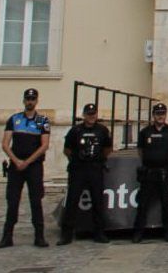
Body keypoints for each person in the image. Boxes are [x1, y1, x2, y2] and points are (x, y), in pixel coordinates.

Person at [0, 88, 51, 249]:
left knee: (36, 200)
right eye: (28, 99)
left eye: (33, 99)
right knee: (12, 201)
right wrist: (17, 161)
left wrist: (27, 161)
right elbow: (5, 144)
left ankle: (39, 236)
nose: (30, 102)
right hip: (15, 166)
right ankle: (7, 236)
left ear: (37, 101)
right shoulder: (14, 119)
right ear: (23, 100)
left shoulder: (42, 120)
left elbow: (44, 145)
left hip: (34, 166)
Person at [58, 102, 113, 245]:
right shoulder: (75, 131)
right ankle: (66, 234)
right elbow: (67, 149)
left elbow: (108, 148)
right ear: (84, 115)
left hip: (95, 168)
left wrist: (99, 159)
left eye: (93, 114)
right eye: (89, 114)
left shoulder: (102, 130)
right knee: (72, 201)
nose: (91, 117)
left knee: (97, 201)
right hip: (78, 169)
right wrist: (76, 159)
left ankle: (99, 232)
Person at [132, 102, 168, 243]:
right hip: (148, 172)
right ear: (153, 115)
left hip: (164, 172)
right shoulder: (145, 132)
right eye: (158, 114)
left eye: (163, 114)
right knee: (143, 204)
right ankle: (138, 233)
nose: (161, 116)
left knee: (166, 204)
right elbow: (140, 150)